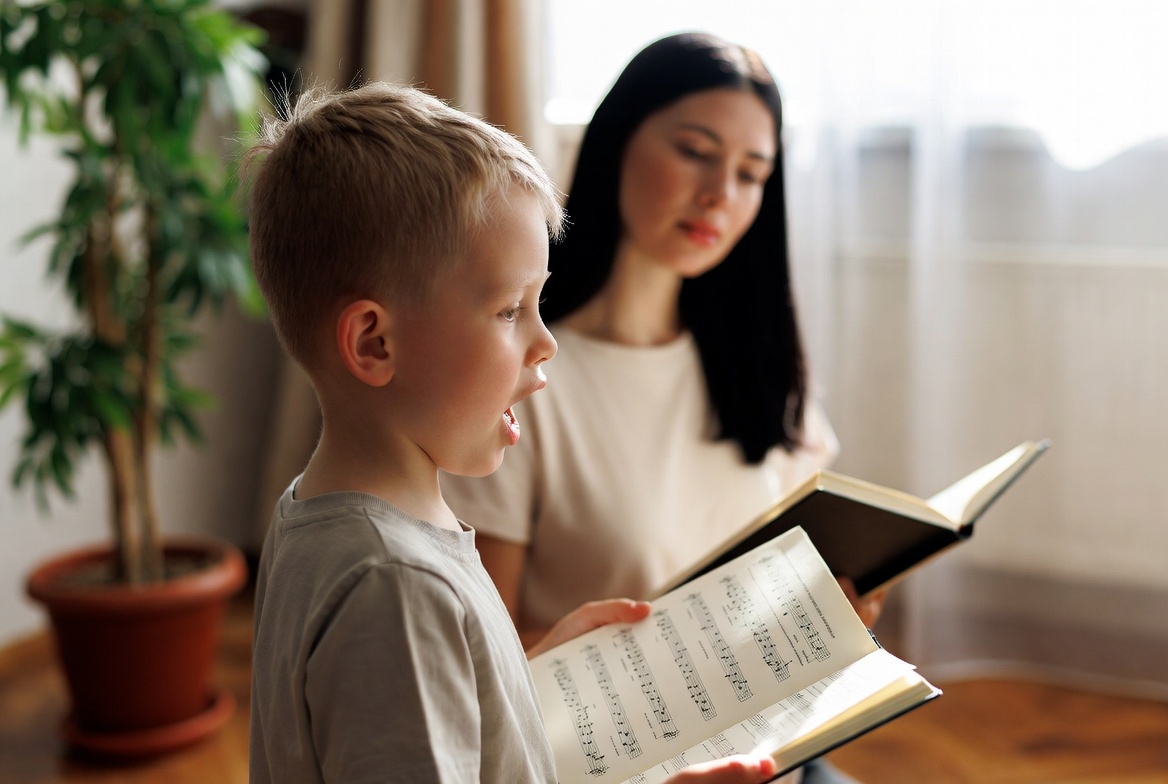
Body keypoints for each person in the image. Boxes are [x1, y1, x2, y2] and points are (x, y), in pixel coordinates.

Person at [242, 82, 779, 783]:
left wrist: (522, 677)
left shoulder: (320, 517)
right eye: (508, 311)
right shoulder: (395, 583)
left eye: (540, 304)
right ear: (375, 343)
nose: (545, 342)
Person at [441, 33, 885, 784]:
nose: (721, 194)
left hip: (774, 751)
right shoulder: (528, 382)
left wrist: (829, 613)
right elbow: (488, 649)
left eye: (751, 174)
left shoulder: (759, 371)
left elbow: (792, 589)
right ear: (617, 142)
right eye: (695, 152)